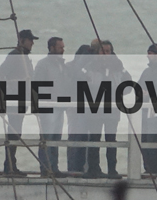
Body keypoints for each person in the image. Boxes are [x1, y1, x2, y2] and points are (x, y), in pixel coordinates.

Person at [0, 29, 37, 175]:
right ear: (22, 40)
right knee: (14, 133)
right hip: (15, 100)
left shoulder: (22, 56)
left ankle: (10, 165)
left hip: (20, 99)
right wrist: (13, 86)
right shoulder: (15, 56)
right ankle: (9, 166)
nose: (32, 43)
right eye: (30, 40)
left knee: (16, 133)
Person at [91, 40, 129, 178]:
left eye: (108, 51)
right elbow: (81, 80)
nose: (105, 54)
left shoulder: (118, 67)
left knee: (111, 140)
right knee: (94, 140)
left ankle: (112, 170)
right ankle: (93, 169)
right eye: (103, 51)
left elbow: (128, 84)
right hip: (95, 109)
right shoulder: (91, 65)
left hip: (112, 110)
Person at [33, 36, 68, 176]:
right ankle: (45, 168)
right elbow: (37, 85)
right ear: (52, 48)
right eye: (60, 47)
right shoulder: (43, 64)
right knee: (47, 137)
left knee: (56, 137)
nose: (63, 50)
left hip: (59, 106)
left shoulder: (62, 65)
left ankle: (54, 167)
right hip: (47, 106)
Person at [67, 42, 98, 175]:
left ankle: (76, 167)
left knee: (78, 136)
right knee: (79, 137)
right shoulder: (80, 68)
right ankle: (77, 167)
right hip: (78, 106)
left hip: (81, 106)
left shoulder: (71, 67)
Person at [137, 42, 157, 176]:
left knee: (151, 140)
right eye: (149, 53)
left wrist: (150, 93)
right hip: (144, 110)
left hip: (156, 110)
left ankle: (155, 167)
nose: (150, 56)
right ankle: (148, 167)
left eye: (153, 53)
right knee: (144, 140)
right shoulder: (147, 71)